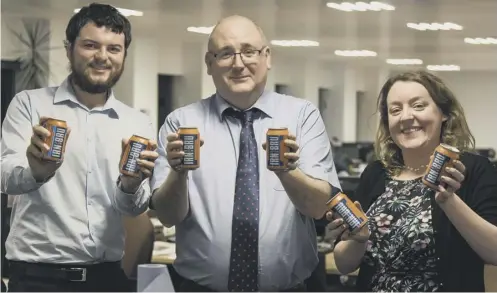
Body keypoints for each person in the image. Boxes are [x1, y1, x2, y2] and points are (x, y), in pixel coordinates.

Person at [150, 15, 341, 292]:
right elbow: (167, 216)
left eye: (249, 51)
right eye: (225, 53)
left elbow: (319, 208)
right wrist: (178, 174)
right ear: (209, 64)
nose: (238, 64)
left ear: (267, 57)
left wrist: (288, 173)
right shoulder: (181, 124)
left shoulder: (301, 116)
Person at [0, 3, 158, 292]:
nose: (102, 57)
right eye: (90, 45)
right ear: (69, 48)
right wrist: (35, 173)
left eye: (114, 48)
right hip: (38, 280)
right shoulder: (30, 104)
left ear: (124, 54)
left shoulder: (137, 123)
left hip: (107, 279)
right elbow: (5, 177)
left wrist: (131, 186)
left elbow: (133, 208)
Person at [326, 70, 497, 292]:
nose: (406, 116)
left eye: (418, 106)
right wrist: (359, 240)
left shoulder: (473, 170)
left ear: (443, 113)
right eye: (395, 110)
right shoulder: (376, 173)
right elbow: (344, 264)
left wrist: (449, 202)